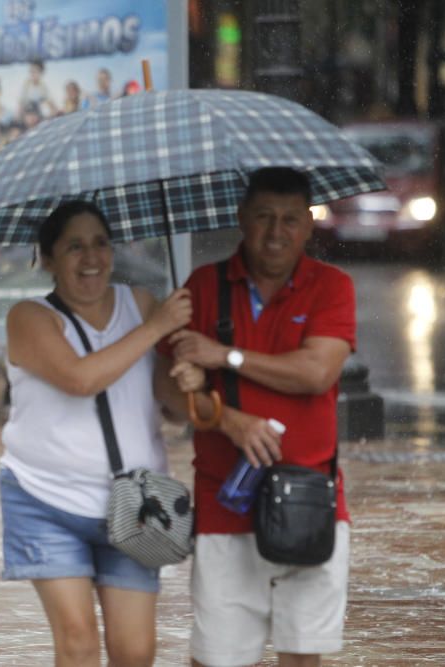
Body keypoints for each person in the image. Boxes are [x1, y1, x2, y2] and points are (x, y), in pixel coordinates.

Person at [164, 167, 355, 667]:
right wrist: (226, 417)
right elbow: (171, 398)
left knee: (302, 657)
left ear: (310, 224)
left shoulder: (332, 286)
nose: (277, 232)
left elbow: (316, 373)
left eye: (291, 219)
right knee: (217, 657)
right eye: (264, 217)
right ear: (241, 218)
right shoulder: (203, 287)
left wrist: (223, 355)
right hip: (223, 502)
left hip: (311, 502)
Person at [0, 200, 198, 666]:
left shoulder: (142, 304)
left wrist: (187, 373)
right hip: (45, 499)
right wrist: (158, 328)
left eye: (100, 244)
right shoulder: (28, 317)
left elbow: (173, 409)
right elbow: (80, 379)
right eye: (74, 247)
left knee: (135, 653)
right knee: (79, 643)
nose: (91, 258)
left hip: (136, 504)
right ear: (47, 259)